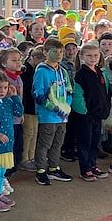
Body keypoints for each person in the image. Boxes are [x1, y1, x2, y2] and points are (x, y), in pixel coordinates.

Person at [32, 38, 73, 185]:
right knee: (45, 144)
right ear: (45, 52)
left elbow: (69, 90)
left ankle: (54, 168)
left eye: (61, 51)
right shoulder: (42, 71)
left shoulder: (62, 71)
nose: (59, 54)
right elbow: (38, 95)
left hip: (62, 116)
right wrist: (55, 108)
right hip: (48, 116)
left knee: (58, 143)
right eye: (54, 51)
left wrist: (66, 107)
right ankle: (41, 170)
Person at [70, 44, 111, 182]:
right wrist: (83, 111)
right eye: (89, 55)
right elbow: (77, 95)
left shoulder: (100, 72)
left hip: (98, 114)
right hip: (85, 116)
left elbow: (104, 92)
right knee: (84, 142)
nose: (93, 58)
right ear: (81, 57)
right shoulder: (81, 75)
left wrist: (105, 108)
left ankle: (93, 165)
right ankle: (85, 168)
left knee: (95, 142)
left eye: (95, 55)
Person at [0, 71, 22, 209]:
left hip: (8, 142)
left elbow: (19, 112)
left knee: (2, 173)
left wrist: (14, 96)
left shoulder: (8, 101)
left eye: (5, 87)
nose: (2, 91)